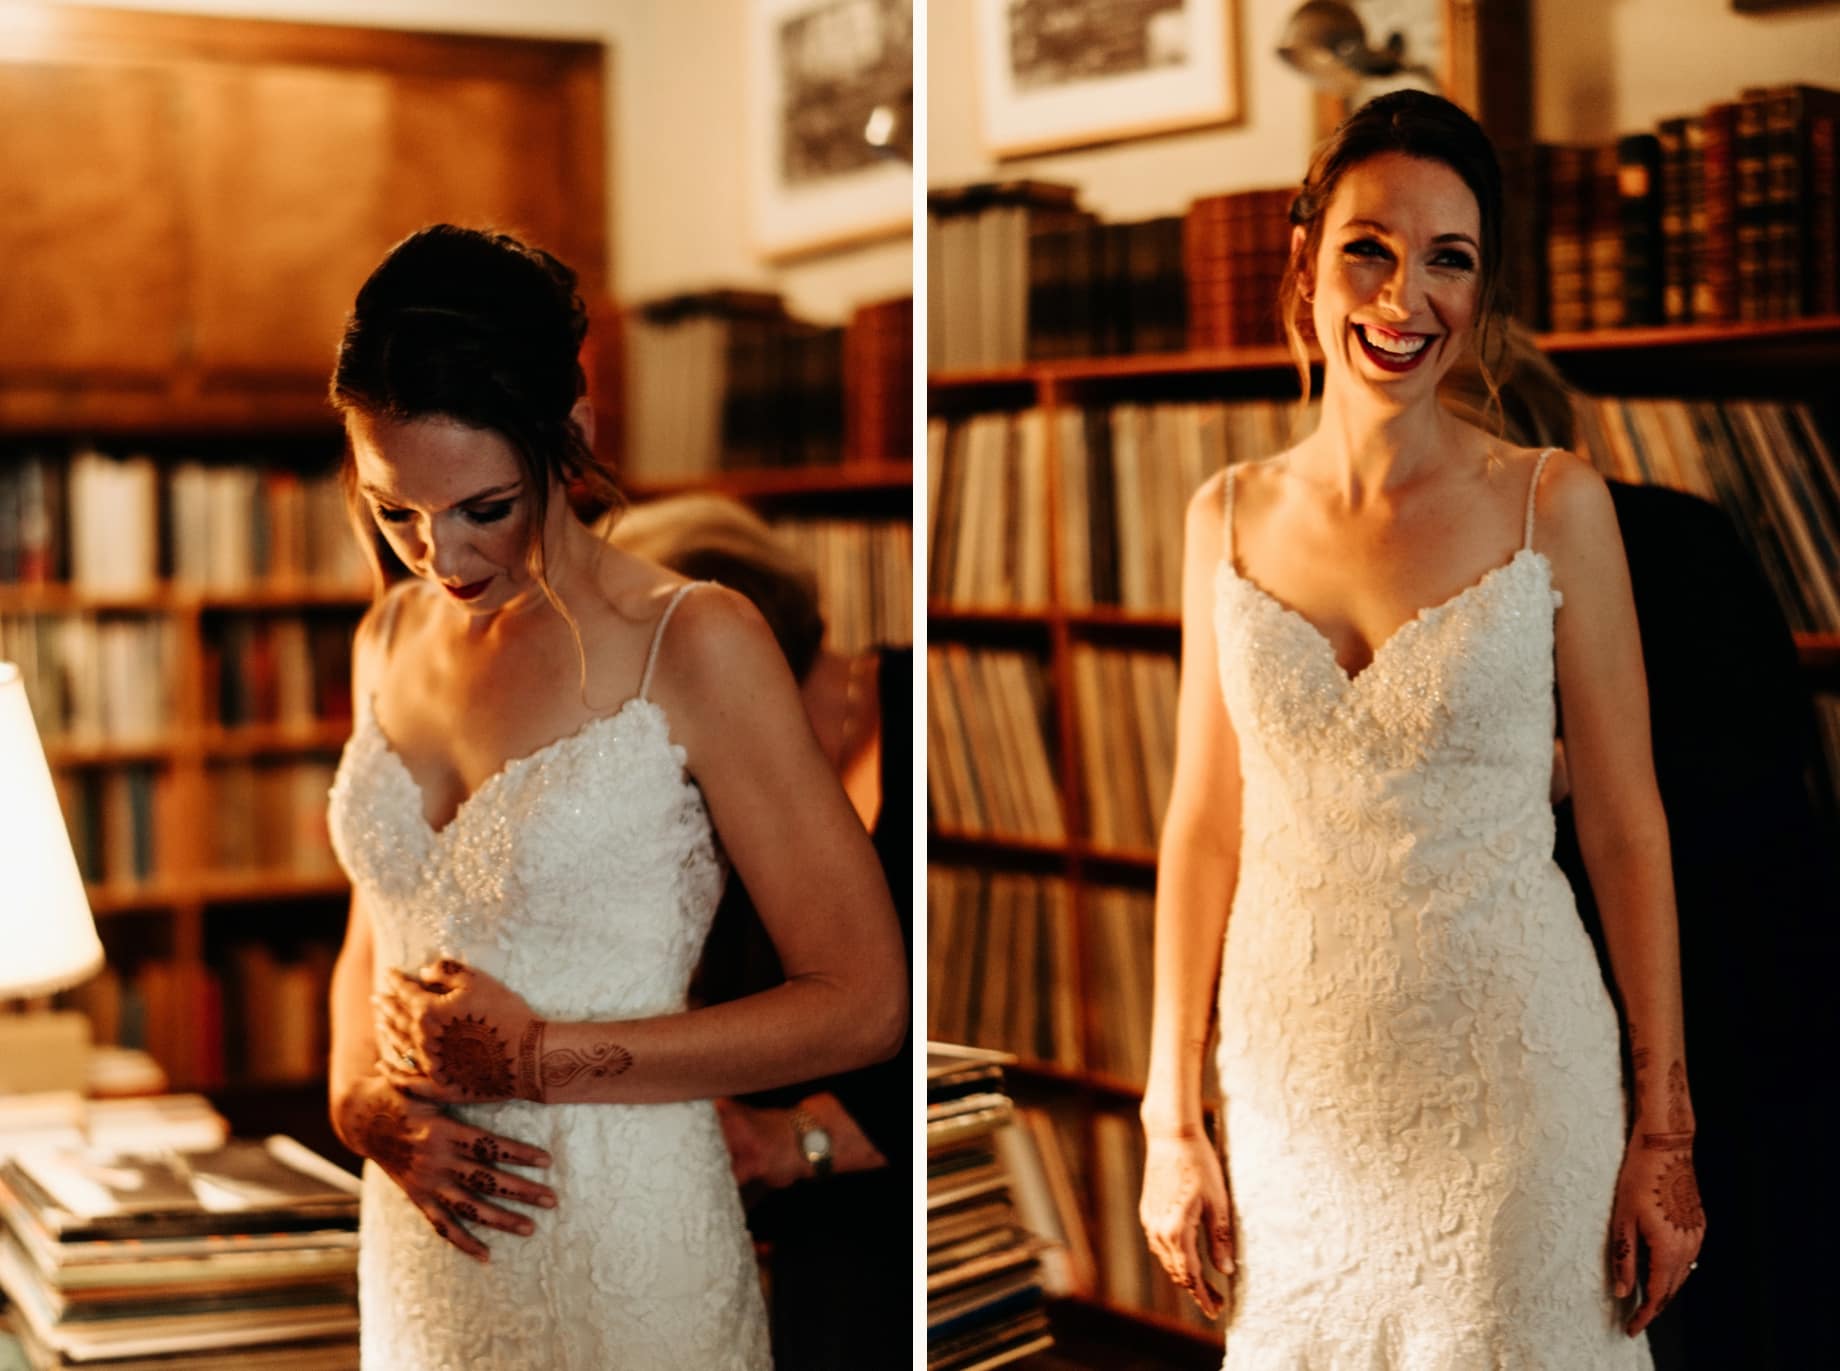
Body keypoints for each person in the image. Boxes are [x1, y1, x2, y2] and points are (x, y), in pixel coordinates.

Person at [1136, 90, 1704, 1366]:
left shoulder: (1551, 506)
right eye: (1369, 249)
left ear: (1482, 290)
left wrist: (1661, 1135)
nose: (1405, 301)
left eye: (1448, 260)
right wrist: (1171, 1113)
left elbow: (1624, 825)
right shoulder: (1219, 514)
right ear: (1305, 259)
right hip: (1289, 1091)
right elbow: (1200, 825)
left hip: (1513, 1077)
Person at [319, 226, 907, 1371]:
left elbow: (863, 1002)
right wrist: (361, 1109)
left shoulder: (695, 641)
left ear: (571, 440)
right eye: (396, 512)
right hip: (421, 1239)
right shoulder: (386, 635)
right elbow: (372, 937)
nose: (439, 557)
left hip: (627, 1241)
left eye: (481, 506)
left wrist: (537, 1060)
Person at [611, 493, 911, 1371]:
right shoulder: (703, 783)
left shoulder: (921, 707)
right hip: (797, 1210)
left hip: (910, 1179)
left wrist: (802, 1139)